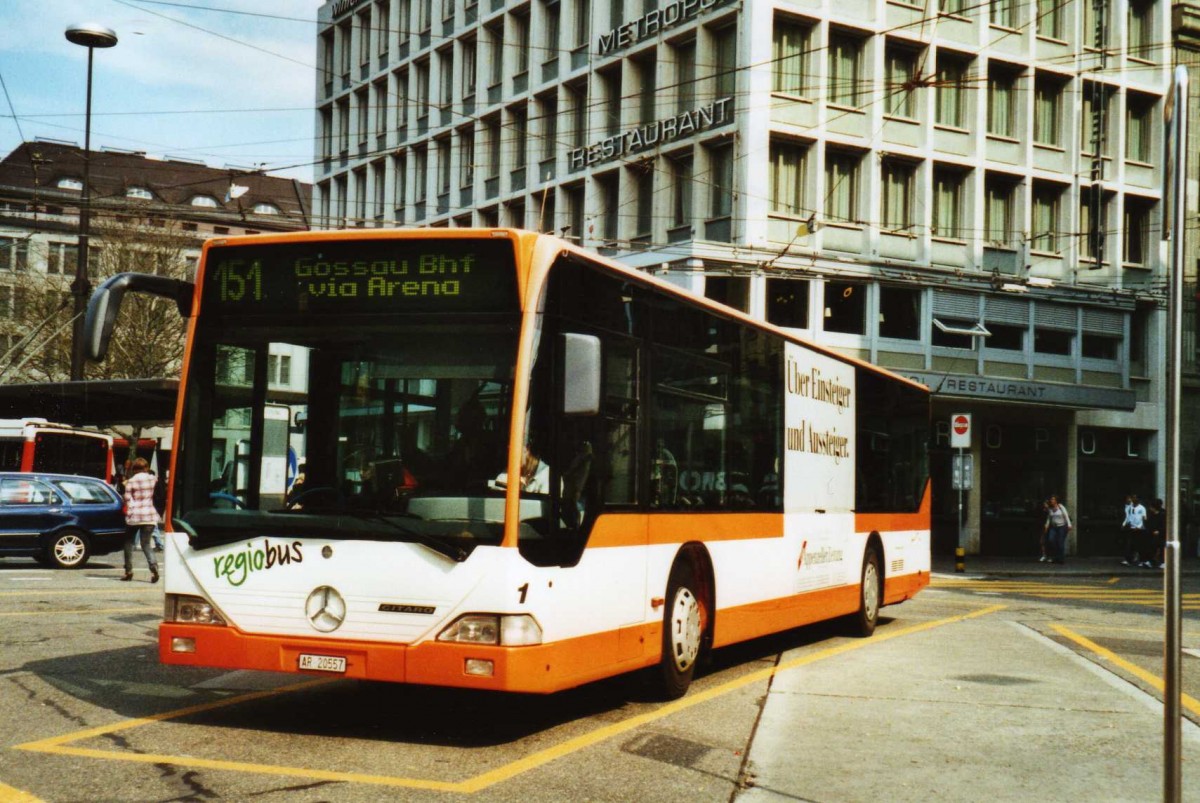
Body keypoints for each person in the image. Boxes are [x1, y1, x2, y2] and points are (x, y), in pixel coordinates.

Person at [121, 458, 160, 583]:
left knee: (128, 543)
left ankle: (128, 571)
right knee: (146, 544)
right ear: (146, 467)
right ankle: (153, 566)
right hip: (149, 515)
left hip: (135, 516)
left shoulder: (131, 481)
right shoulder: (153, 479)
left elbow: (127, 498)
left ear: (134, 469)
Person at [1043, 495, 1072, 565]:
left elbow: (1066, 515)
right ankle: (1055, 556)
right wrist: (1046, 525)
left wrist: (1069, 524)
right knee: (1051, 540)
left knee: (1060, 542)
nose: (1051, 501)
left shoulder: (1060, 507)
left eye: (1053, 499)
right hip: (1054, 527)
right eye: (1051, 499)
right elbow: (1049, 518)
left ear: (1056, 500)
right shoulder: (1050, 508)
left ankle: (1061, 558)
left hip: (1062, 526)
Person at [1120, 494, 1147, 567]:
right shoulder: (1130, 507)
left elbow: (1144, 518)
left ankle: (1141, 560)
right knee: (1130, 544)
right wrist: (1124, 524)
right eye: (1132, 498)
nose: (1133, 499)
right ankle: (1129, 560)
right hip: (1131, 528)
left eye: (1135, 498)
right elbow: (1128, 516)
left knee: (1139, 545)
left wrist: (1139, 526)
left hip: (1139, 529)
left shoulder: (1142, 508)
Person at [1144, 498, 1166, 569]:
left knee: (1161, 546)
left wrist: (1159, 531)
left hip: (1161, 534)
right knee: (1151, 546)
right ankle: (1151, 561)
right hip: (1152, 533)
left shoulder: (1163, 514)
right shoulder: (1151, 515)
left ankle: (1163, 562)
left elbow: (1164, 525)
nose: (1150, 508)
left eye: (1151, 507)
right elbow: (1149, 524)